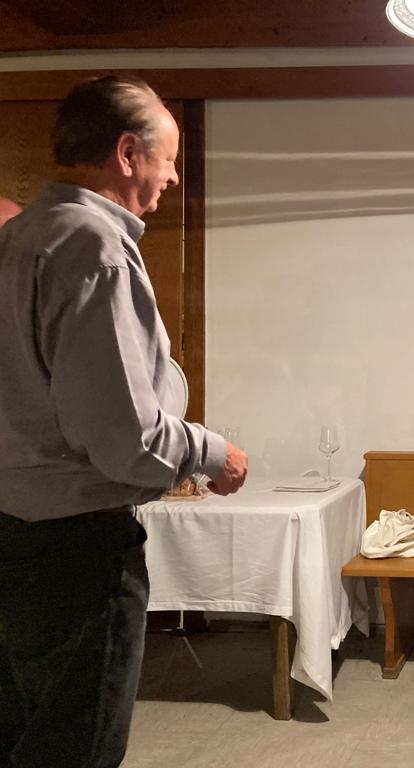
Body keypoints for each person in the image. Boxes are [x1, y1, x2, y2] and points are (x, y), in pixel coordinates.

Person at [0, 76, 247, 768]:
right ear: (127, 152)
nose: (173, 176)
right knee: (76, 746)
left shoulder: (20, 234)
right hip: (75, 547)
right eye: (168, 158)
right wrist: (212, 451)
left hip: (14, 529)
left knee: (22, 731)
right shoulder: (93, 245)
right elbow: (122, 438)